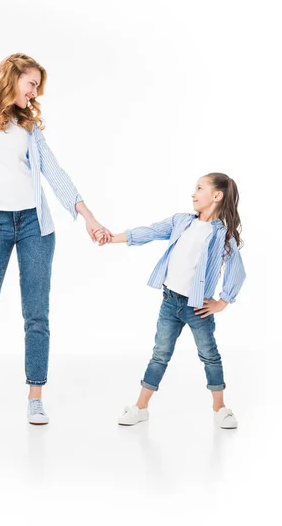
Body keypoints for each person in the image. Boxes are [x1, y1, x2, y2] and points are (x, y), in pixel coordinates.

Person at [0, 53, 112, 426]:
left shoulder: (29, 125)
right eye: (32, 84)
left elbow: (54, 171)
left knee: (36, 314)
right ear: (12, 77)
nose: (35, 94)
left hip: (35, 225)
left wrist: (89, 218)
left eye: (37, 87)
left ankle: (36, 397)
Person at [95, 173, 246, 428]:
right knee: (160, 354)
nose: (193, 193)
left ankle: (220, 408)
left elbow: (237, 271)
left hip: (198, 308)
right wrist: (112, 237)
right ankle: (141, 408)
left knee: (209, 355)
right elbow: (150, 232)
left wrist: (223, 302)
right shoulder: (181, 222)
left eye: (199, 188)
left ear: (217, 196)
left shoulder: (223, 235)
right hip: (170, 302)